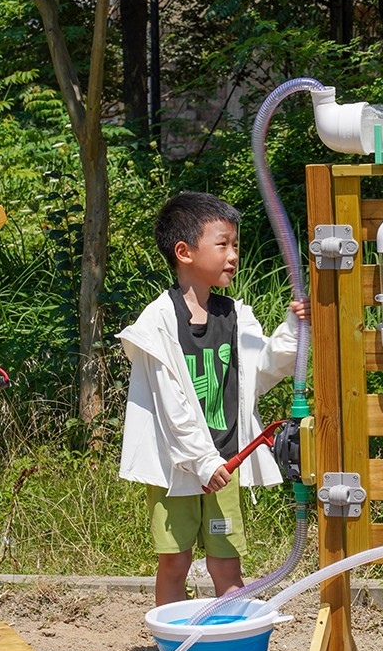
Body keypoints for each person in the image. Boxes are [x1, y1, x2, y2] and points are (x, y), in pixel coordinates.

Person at [118, 192, 307, 608]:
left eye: (235, 245)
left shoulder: (236, 315)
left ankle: (232, 640)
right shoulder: (157, 323)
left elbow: (262, 371)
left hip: (226, 461)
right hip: (177, 466)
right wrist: (203, 462)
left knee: (226, 564)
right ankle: (174, 646)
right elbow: (171, 408)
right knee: (175, 561)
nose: (233, 255)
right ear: (184, 252)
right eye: (222, 244)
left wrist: (294, 325)